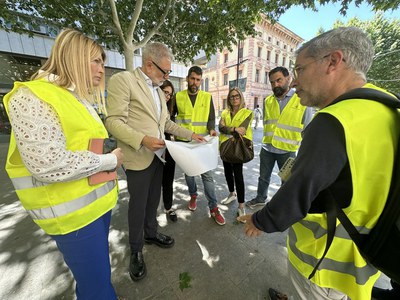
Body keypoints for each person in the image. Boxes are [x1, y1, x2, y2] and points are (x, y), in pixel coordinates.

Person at [238, 26, 400, 300]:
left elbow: (298, 194)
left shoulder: (333, 121)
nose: (294, 81)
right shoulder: (387, 106)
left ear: (333, 62)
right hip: (361, 258)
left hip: (322, 263)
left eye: (299, 69)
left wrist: (259, 220)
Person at [4, 29, 123, 299]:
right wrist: (110, 159)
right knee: (97, 287)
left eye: (102, 63)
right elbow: (48, 163)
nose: (101, 70)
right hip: (73, 219)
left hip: (96, 209)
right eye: (95, 61)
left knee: (96, 279)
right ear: (74, 58)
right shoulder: (32, 95)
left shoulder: (78, 99)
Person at [105, 42, 204, 282]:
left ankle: (151, 233)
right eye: (165, 71)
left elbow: (166, 124)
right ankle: (136, 249)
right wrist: (143, 139)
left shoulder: (160, 91)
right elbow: (113, 122)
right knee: (137, 205)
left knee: (153, 200)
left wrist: (191, 135)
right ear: (149, 64)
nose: (167, 76)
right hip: (138, 157)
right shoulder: (123, 81)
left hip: (159, 157)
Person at [246, 66, 313, 209]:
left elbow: (308, 129)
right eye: (272, 82)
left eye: (279, 80)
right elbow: (267, 123)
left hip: (287, 151)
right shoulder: (268, 101)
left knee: (287, 181)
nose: (275, 84)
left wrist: (304, 155)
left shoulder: (301, 100)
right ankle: (260, 198)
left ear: (288, 78)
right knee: (263, 178)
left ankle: (284, 204)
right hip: (268, 148)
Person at [174, 66, 225, 226]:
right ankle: (193, 194)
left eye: (198, 79)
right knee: (189, 174)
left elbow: (211, 118)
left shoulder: (207, 97)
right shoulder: (178, 96)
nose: (195, 82)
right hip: (185, 143)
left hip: (202, 143)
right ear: (187, 79)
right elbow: (170, 118)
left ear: (201, 81)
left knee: (207, 176)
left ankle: (214, 207)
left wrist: (211, 129)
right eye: (192, 78)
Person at [219, 87, 253, 220]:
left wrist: (228, 129)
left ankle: (241, 206)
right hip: (226, 147)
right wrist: (233, 128)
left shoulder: (248, 113)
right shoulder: (225, 113)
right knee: (227, 173)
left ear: (241, 97)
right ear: (229, 99)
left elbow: (242, 130)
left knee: (238, 176)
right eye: (232, 96)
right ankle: (231, 194)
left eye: (236, 96)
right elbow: (221, 128)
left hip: (238, 148)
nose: (234, 98)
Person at [160, 80, 178, 222]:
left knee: (168, 179)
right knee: (154, 182)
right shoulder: (152, 107)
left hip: (169, 148)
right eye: (165, 92)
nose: (167, 96)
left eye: (170, 95)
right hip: (154, 149)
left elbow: (172, 127)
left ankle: (168, 207)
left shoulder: (170, 109)